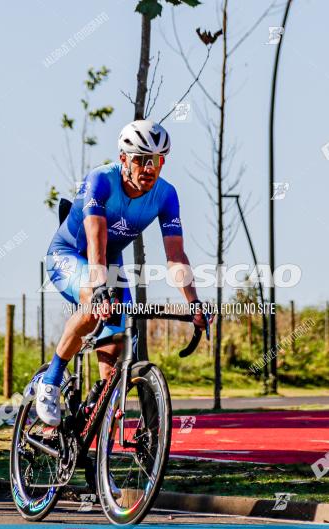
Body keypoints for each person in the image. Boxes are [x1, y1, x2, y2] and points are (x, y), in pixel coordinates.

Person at [36, 120, 210, 426]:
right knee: (93, 304)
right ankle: (50, 380)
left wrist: (194, 301)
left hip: (109, 261)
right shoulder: (100, 180)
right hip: (70, 254)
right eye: (141, 159)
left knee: (117, 337)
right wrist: (101, 288)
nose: (148, 168)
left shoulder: (167, 195)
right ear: (123, 159)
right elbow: (96, 242)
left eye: (155, 160)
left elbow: (176, 256)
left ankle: (99, 410)